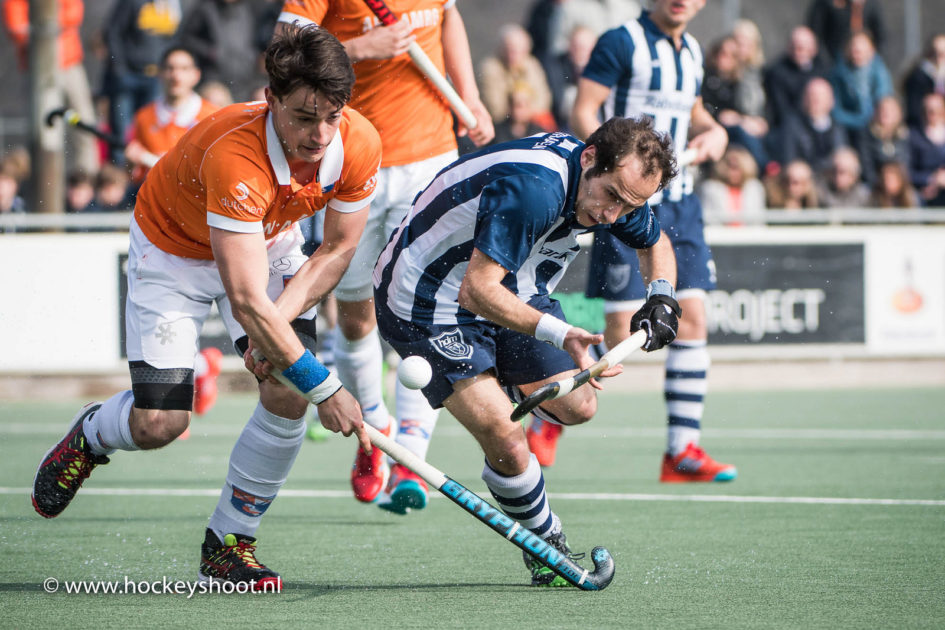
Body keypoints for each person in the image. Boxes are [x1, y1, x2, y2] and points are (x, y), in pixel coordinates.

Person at [31, 24, 380, 591]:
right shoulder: (237, 157)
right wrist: (327, 388)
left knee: (287, 387)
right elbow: (244, 300)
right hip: (173, 254)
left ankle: (229, 543)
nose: (320, 135)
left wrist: (282, 338)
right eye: (303, 117)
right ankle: (92, 434)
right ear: (271, 101)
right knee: (160, 423)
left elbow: (337, 248)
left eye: (332, 117)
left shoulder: (358, 142)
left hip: (265, 243)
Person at [373, 116, 679, 586]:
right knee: (509, 441)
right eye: (613, 196)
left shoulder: (616, 186)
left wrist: (661, 296)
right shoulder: (536, 188)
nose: (612, 215)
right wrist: (560, 334)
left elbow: (654, 242)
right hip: (427, 299)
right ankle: (547, 544)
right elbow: (476, 292)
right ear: (591, 157)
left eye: (629, 204)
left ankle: (496, 388)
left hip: (513, 288)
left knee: (578, 406)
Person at [276, 0, 494, 513]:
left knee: (425, 311)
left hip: (431, 156)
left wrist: (471, 96)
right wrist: (357, 49)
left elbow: (449, 17)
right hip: (353, 158)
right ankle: (376, 429)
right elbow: (284, 58)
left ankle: (411, 459)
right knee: (356, 317)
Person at [564, 0, 735, 482]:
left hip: (682, 203)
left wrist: (714, 132)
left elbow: (693, 111)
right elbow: (583, 110)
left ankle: (682, 452)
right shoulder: (622, 42)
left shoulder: (694, 52)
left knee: (692, 317)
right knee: (622, 331)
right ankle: (551, 412)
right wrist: (618, 174)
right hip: (629, 201)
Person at [3, 0, 98, 175]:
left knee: (84, 123)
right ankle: (46, 178)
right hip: (37, 69)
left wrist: (43, 27)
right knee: (46, 132)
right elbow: (16, 26)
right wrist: (45, 30)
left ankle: (87, 178)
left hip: (69, 64)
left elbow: (73, 14)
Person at [102, 0, 182, 163]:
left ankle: (144, 177)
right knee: (121, 133)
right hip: (128, 76)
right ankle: (119, 178)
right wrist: (119, 68)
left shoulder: (173, 5)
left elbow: (174, 40)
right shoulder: (132, 3)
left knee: (149, 132)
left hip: (155, 77)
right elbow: (113, 32)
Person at [125, 46, 220, 184]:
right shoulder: (144, 117)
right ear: (160, 74)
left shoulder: (212, 116)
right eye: (170, 68)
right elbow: (136, 177)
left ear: (196, 75)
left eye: (184, 69)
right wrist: (131, 165)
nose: (176, 76)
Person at [479, 23, 554, 128]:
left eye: (518, 50)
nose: (513, 55)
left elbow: (543, 99)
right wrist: (518, 110)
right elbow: (495, 108)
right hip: (502, 125)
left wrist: (525, 111)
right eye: (509, 49)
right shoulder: (491, 68)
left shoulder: (532, 65)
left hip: (531, 122)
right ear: (502, 49)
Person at [763, 26, 828, 132]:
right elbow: (781, 109)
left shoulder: (822, 70)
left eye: (802, 48)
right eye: (794, 47)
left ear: (813, 49)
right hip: (790, 126)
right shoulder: (778, 72)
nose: (798, 52)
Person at [779, 77, 848, 175]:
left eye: (821, 96)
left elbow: (842, 156)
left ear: (831, 100)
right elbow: (789, 160)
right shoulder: (792, 126)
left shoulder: (838, 127)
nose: (815, 100)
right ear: (804, 100)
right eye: (811, 95)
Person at [698, 145, 767, 226]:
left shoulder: (755, 188)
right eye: (730, 166)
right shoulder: (710, 188)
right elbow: (709, 220)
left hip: (750, 236)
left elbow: (758, 221)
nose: (733, 172)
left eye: (737, 167)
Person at [908, 93, 945, 207]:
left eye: (936, 110)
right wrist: (932, 179)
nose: (932, 114)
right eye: (928, 110)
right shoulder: (914, 137)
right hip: (924, 192)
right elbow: (908, 171)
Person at [903, 34, 945, 129]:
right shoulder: (917, 78)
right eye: (934, 53)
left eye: (942, 54)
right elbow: (914, 111)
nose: (938, 58)